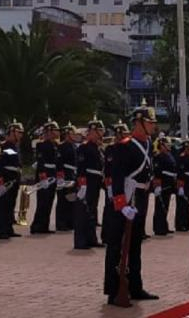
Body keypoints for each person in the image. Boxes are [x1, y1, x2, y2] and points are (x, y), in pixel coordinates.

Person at [103, 103, 160, 306]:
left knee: (135, 244)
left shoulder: (148, 144)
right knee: (117, 245)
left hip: (140, 196)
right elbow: (116, 176)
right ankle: (114, 289)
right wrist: (121, 204)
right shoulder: (124, 146)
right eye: (149, 122)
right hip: (126, 198)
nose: (153, 126)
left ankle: (135, 286)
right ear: (138, 123)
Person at [73, 119, 105, 249]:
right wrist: (82, 184)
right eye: (99, 131)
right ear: (92, 131)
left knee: (92, 211)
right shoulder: (84, 147)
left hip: (95, 181)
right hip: (87, 181)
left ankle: (91, 238)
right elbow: (81, 167)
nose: (101, 134)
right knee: (83, 212)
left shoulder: (97, 147)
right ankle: (81, 241)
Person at [0, 121, 24, 240]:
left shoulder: (15, 146)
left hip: (14, 178)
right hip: (5, 178)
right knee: (3, 205)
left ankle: (8, 228)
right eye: (18, 132)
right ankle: (0, 230)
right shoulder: (2, 146)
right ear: (12, 132)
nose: (20, 135)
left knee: (10, 205)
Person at [31, 121, 60, 234]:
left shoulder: (56, 145)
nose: (57, 133)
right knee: (42, 201)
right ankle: (37, 226)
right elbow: (41, 161)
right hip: (45, 174)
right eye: (55, 130)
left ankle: (44, 226)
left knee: (49, 201)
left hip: (53, 173)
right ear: (49, 132)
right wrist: (42, 177)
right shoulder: (41, 145)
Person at [151, 137, 177, 236]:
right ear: (161, 145)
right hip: (162, 183)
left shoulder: (169, 155)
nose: (169, 146)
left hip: (169, 183)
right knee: (160, 207)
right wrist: (157, 185)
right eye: (167, 144)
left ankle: (164, 226)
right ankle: (158, 228)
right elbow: (157, 172)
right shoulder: (159, 156)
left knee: (165, 206)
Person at [55, 123, 79, 232]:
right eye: (73, 133)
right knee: (62, 200)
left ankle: (70, 222)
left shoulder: (74, 146)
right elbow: (59, 162)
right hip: (65, 173)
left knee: (72, 198)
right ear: (68, 134)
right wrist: (60, 177)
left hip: (72, 173)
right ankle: (61, 223)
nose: (75, 135)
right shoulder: (62, 146)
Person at [175, 139, 189, 232]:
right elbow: (180, 171)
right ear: (186, 147)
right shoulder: (182, 157)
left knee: (186, 203)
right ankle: (180, 224)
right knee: (181, 204)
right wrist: (181, 186)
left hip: (188, 181)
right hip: (183, 181)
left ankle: (186, 224)